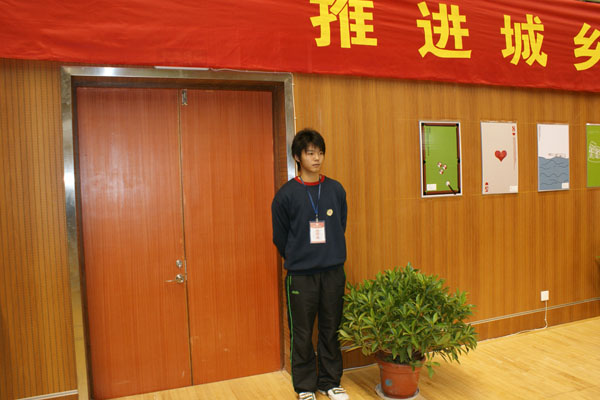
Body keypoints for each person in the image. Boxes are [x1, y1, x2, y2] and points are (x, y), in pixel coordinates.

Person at [271, 128, 349, 400]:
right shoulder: (286, 195)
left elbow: (340, 225)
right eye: (310, 153)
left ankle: (330, 382)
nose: (317, 158)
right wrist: (299, 256)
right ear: (297, 157)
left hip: (333, 272)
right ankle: (305, 387)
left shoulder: (335, 189)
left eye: (320, 153)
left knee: (331, 329)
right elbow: (280, 237)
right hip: (301, 276)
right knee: (302, 334)